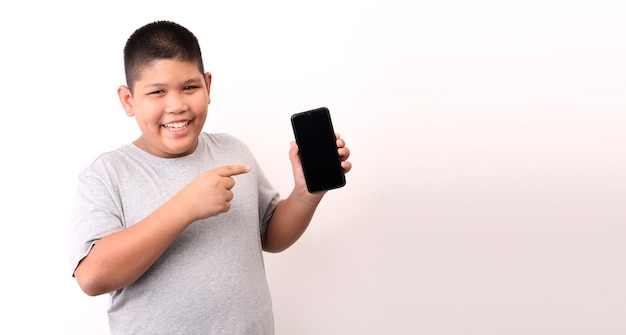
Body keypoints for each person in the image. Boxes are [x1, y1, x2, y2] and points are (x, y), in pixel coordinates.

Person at [68, 20, 351, 334]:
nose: (176, 105)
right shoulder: (106, 174)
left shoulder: (233, 151)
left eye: (189, 87)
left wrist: (305, 193)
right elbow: (92, 278)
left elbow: (269, 236)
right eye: (157, 92)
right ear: (128, 100)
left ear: (208, 86)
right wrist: (184, 207)